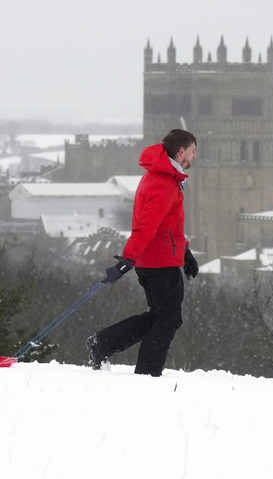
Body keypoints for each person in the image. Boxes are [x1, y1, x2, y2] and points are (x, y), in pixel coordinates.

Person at [87, 128, 200, 376]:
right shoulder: (164, 183)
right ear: (181, 151)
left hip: (158, 260)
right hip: (160, 263)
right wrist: (127, 258)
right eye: (193, 149)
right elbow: (145, 227)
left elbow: (169, 225)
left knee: (160, 316)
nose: (195, 155)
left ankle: (104, 343)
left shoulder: (161, 177)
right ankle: (146, 373)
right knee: (168, 320)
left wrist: (185, 253)